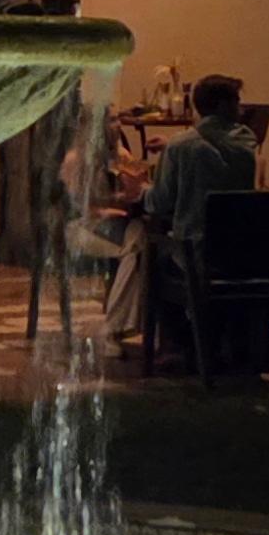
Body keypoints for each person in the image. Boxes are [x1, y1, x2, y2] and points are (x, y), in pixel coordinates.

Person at [102, 73, 257, 350]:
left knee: (148, 256)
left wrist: (143, 191)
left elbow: (160, 202)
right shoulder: (247, 142)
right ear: (223, 106)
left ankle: (178, 344)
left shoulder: (182, 146)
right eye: (237, 101)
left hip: (197, 256)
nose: (241, 108)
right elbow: (213, 149)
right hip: (244, 255)